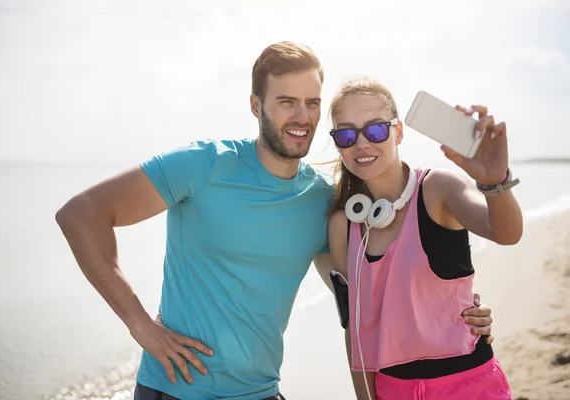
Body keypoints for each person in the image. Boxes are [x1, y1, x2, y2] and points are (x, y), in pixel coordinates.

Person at [55, 41, 495, 400]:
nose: (301, 117)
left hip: (263, 393)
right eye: (286, 102)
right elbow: (82, 214)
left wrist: (459, 313)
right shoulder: (202, 164)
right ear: (255, 105)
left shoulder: (321, 200)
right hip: (175, 390)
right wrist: (140, 325)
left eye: (311, 103)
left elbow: (364, 295)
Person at [324, 76, 522, 399]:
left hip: (470, 384)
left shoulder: (438, 190)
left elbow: (507, 232)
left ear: (398, 131)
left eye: (375, 130)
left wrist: (494, 181)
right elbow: (356, 330)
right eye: (346, 134)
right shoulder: (342, 225)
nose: (361, 144)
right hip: (393, 390)